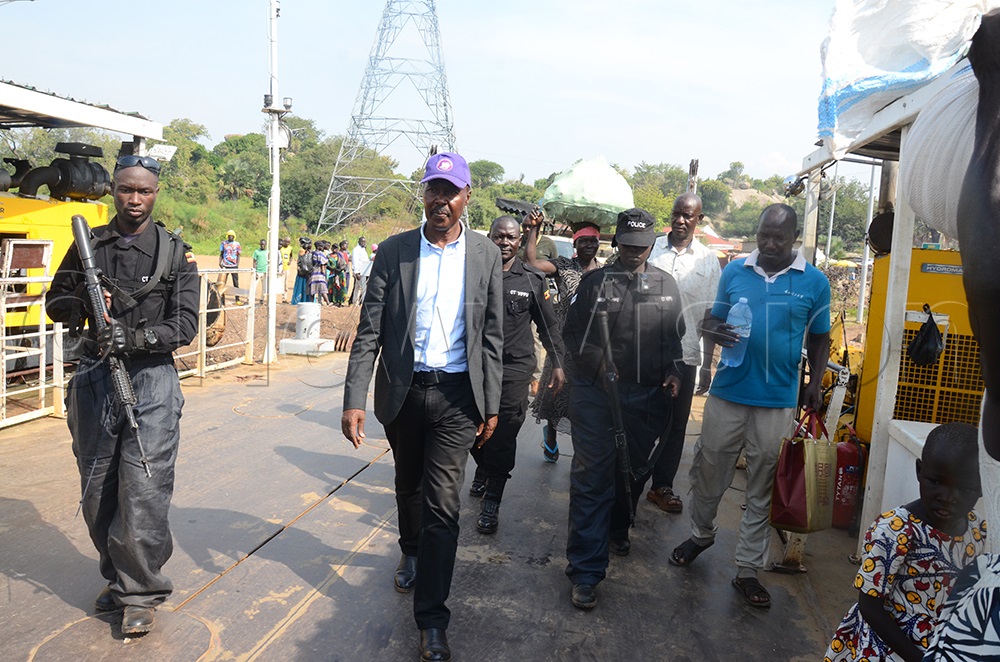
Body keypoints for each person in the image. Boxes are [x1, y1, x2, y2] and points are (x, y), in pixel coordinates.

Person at [341, 151, 503, 662]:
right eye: (433, 189)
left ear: (466, 198)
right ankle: (409, 549)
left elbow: (492, 335)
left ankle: (433, 619)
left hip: (458, 397)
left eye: (450, 191)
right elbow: (369, 332)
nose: (441, 200)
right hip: (404, 393)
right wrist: (354, 399)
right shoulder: (394, 253)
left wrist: (491, 403)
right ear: (424, 194)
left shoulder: (485, 255)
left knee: (443, 506)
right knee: (408, 485)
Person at [47, 154, 198, 635]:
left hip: (151, 379)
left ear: (156, 193)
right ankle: (117, 578)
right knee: (97, 491)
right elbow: (55, 304)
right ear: (113, 189)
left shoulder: (175, 253)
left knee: (145, 490)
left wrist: (135, 338)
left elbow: (188, 324)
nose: (135, 200)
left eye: (145, 191)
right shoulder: (88, 244)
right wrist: (87, 302)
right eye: (126, 189)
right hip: (95, 379)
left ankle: (141, 593)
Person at [669, 203, 831, 610]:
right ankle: (701, 534)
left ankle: (746, 570)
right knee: (708, 470)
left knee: (761, 486)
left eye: (780, 238)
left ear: (794, 238)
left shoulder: (814, 282)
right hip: (728, 394)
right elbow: (711, 321)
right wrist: (711, 345)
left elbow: (820, 338)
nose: (771, 244)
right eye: (764, 235)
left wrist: (814, 381)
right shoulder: (736, 271)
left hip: (777, 400)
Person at [562, 208, 684, 610]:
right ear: (617, 243)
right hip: (597, 395)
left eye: (642, 246)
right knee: (592, 478)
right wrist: (598, 363)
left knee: (630, 471)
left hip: (645, 397)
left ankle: (618, 526)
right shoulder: (595, 283)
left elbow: (674, 340)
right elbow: (571, 336)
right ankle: (585, 570)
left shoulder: (666, 286)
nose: (634, 253)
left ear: (653, 244)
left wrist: (672, 373)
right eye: (627, 246)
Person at [824, 423, 984, 662]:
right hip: (886, 651)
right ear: (919, 471)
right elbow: (869, 606)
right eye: (936, 482)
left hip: (940, 648)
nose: (948, 497)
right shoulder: (896, 531)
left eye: (964, 488)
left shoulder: (978, 531)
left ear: (982, 489)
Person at [468, 215, 566, 534]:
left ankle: (492, 500)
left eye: (511, 237)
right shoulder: (472, 274)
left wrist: (558, 362)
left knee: (504, 433)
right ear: (489, 237)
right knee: (470, 428)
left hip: (514, 369)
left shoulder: (532, 280)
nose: (505, 242)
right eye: (499, 236)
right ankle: (483, 469)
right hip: (476, 367)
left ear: (519, 241)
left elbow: (548, 325)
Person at [645, 192, 721, 515]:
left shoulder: (708, 261)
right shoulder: (649, 249)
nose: (680, 220)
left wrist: (707, 366)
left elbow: (711, 316)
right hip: (644, 353)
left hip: (686, 355)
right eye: (676, 213)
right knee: (640, 417)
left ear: (698, 221)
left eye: (688, 216)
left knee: (675, 426)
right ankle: (626, 480)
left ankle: (661, 486)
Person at [523, 210, 603, 463]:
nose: (589, 244)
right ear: (576, 244)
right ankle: (552, 437)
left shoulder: (606, 272)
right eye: (584, 240)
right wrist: (534, 229)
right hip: (563, 344)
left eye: (593, 240)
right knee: (554, 395)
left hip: (591, 347)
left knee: (585, 400)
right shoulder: (564, 266)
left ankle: (583, 450)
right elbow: (531, 265)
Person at [218, 229, 242, 304]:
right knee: (223, 283)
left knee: (236, 283)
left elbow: (238, 255)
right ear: (227, 236)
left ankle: (237, 299)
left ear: (234, 236)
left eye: (232, 236)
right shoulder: (223, 243)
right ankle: (222, 300)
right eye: (229, 236)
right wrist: (220, 262)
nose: (230, 237)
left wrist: (237, 264)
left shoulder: (237, 244)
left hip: (234, 266)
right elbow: (221, 254)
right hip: (225, 265)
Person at [350, 235, 370, 305]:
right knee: (361, 288)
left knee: (358, 287)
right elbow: (355, 261)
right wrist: (357, 272)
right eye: (362, 241)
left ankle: (356, 301)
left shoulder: (363, 250)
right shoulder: (356, 250)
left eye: (364, 242)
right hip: (359, 271)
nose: (364, 243)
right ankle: (360, 302)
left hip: (365, 271)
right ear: (359, 242)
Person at [290, 236, 311, 305]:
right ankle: (300, 300)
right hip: (302, 273)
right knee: (301, 288)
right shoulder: (302, 251)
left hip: (304, 273)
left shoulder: (308, 252)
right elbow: (303, 262)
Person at [310, 240, 330, 305]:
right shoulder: (320, 254)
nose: (322, 248)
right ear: (318, 247)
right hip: (319, 273)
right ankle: (328, 302)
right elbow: (324, 262)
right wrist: (323, 272)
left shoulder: (312, 253)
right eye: (321, 246)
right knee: (323, 288)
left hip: (313, 273)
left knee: (313, 289)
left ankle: (311, 302)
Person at [252, 238, 268, 304]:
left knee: (265, 287)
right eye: (261, 245)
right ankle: (250, 299)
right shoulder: (256, 252)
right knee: (254, 286)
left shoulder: (268, 252)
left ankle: (262, 299)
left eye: (264, 245)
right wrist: (255, 271)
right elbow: (254, 262)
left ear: (266, 245)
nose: (262, 246)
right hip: (258, 271)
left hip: (265, 272)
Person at [278, 237, 293, 303]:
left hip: (286, 268)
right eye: (286, 241)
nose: (287, 243)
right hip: (280, 268)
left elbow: (291, 255)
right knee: (278, 282)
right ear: (283, 241)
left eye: (288, 242)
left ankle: (284, 298)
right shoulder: (280, 248)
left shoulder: (290, 248)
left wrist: (290, 261)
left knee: (285, 284)